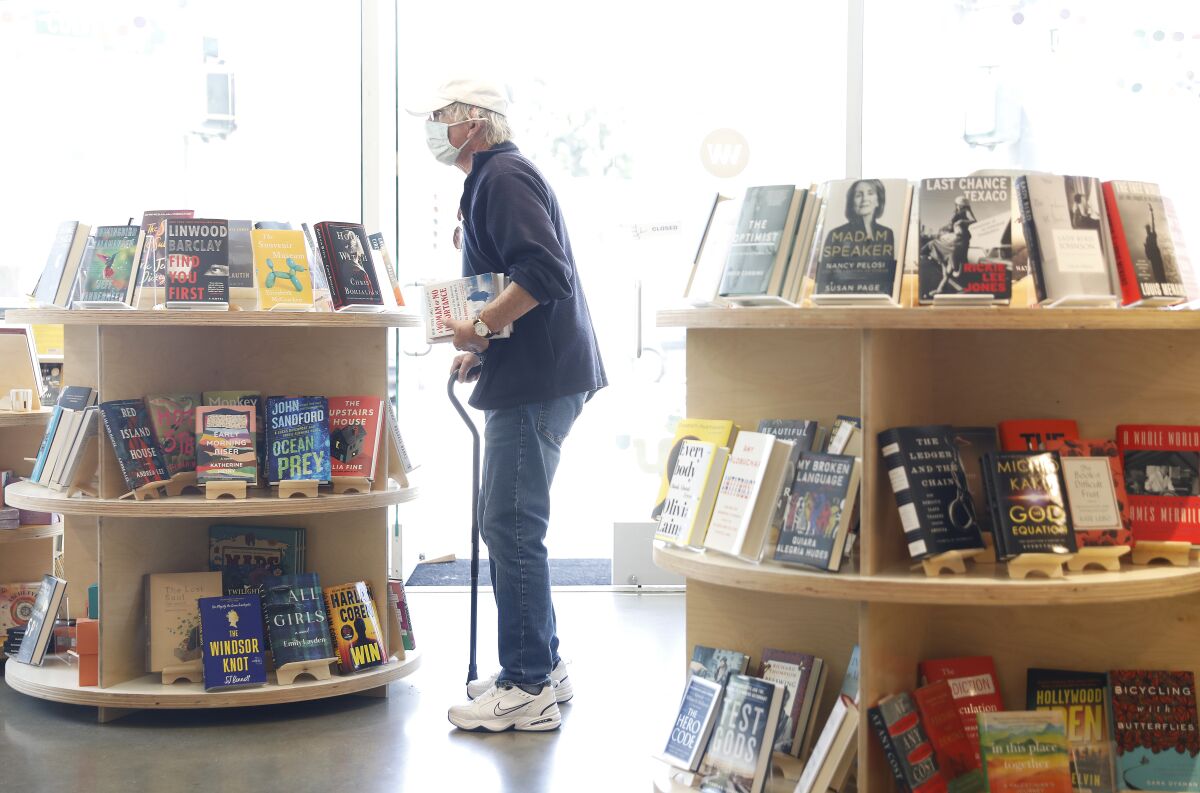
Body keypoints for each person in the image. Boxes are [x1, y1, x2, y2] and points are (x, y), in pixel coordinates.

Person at [407, 78, 607, 733]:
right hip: (535, 373)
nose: (434, 128)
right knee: (513, 524)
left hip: (538, 383)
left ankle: (525, 686)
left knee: (511, 526)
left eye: (439, 116)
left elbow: (546, 272)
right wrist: (482, 347)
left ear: (471, 120)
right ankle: (542, 666)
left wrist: (483, 326)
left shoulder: (502, 177)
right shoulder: (496, 177)